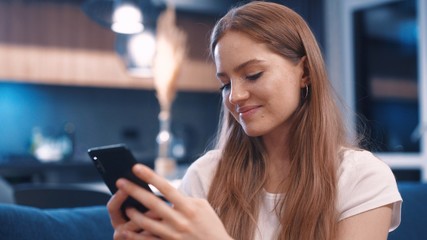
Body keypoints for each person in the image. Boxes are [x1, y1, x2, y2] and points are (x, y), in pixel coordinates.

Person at [107, 1, 402, 239]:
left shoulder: (362, 178)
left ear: (305, 72)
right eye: (225, 83)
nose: (234, 96)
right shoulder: (206, 175)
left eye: (253, 74)